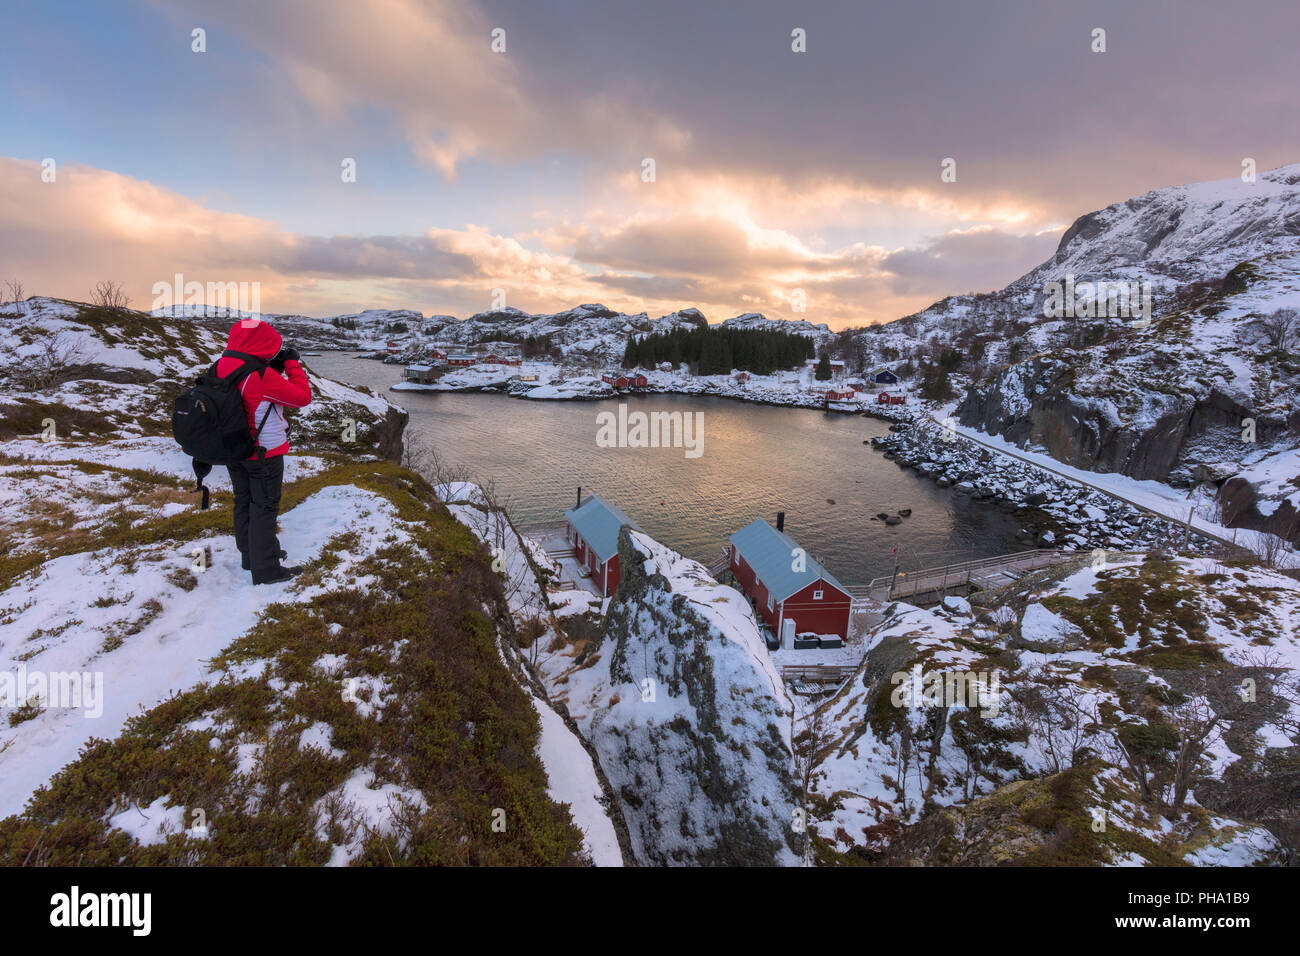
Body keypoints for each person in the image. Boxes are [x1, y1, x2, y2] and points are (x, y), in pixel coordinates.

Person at [215, 319, 312, 585]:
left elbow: (248, 394)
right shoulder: (261, 374)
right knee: (265, 507)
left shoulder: (222, 365)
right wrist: (291, 364)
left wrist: (270, 367)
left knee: (244, 501)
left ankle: (252, 556)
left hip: (235, 449)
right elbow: (302, 397)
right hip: (263, 453)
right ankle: (267, 569)